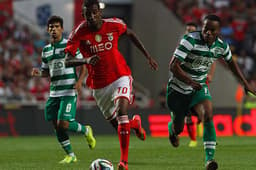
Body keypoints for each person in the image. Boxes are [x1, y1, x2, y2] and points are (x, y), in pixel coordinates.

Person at [64, 1, 158, 169]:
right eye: (87, 15)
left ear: (99, 12)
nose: (91, 17)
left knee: (122, 112)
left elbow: (130, 34)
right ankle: (134, 124)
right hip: (99, 86)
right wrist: (85, 60)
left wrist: (147, 56)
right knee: (119, 126)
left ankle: (124, 162)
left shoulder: (114, 24)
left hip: (120, 76)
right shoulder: (78, 33)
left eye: (94, 13)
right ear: (83, 16)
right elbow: (67, 60)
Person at [167, 14, 256, 170]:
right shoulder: (189, 40)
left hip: (199, 86)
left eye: (212, 30)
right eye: (205, 29)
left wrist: (245, 83)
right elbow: (173, 66)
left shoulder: (221, 46)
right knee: (178, 128)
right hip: (178, 88)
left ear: (218, 31)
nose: (207, 32)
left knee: (208, 113)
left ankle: (209, 160)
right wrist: (190, 81)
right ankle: (172, 129)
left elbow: (231, 63)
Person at [31, 15, 96, 164]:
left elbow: (83, 65)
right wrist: (38, 73)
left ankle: (86, 130)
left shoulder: (69, 45)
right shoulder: (46, 50)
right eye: (51, 27)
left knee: (64, 124)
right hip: (54, 93)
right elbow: (47, 72)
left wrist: (80, 82)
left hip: (68, 91)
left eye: (56, 27)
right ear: (48, 30)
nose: (53, 29)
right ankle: (71, 155)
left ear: (61, 29)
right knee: (56, 126)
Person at [183, 22, 217, 148]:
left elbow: (212, 61)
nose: (190, 32)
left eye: (192, 30)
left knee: (201, 112)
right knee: (188, 114)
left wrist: (210, 75)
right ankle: (193, 139)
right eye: (188, 30)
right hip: (184, 82)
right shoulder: (183, 44)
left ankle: (207, 136)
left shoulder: (202, 44)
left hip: (198, 81)